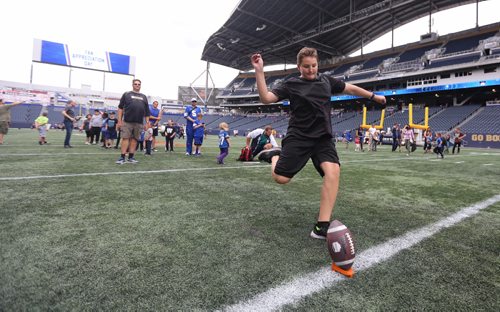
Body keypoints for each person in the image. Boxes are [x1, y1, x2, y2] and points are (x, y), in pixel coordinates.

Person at [250, 47, 386, 239]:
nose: (311, 70)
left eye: (314, 65)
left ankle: (322, 226)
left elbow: (351, 88)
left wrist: (373, 96)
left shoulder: (326, 81)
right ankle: (275, 155)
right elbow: (266, 99)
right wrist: (259, 70)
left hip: (323, 138)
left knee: (333, 172)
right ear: (299, 67)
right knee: (281, 179)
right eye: (306, 67)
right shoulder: (291, 84)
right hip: (299, 137)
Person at [116, 79, 150, 164]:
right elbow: (120, 108)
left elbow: (147, 111)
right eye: (135, 84)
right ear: (132, 85)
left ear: (140, 85)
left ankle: (131, 157)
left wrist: (147, 123)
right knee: (125, 138)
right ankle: (122, 157)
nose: (137, 85)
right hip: (127, 121)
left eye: (139, 84)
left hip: (139, 122)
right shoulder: (127, 94)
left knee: (135, 139)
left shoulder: (144, 96)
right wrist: (119, 121)